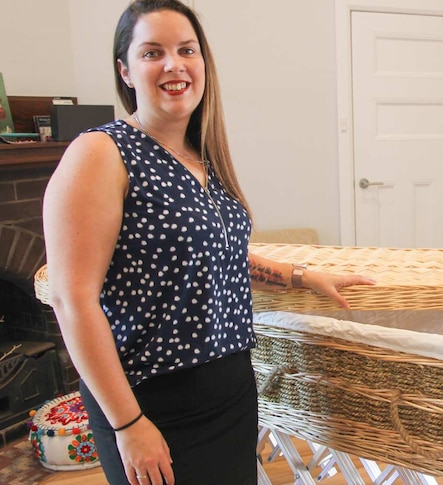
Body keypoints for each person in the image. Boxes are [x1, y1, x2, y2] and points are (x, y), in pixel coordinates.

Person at [42, 1, 374, 484]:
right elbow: (71, 299)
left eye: (186, 50)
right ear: (126, 71)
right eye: (152, 52)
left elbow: (219, 256)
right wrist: (129, 424)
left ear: (203, 63)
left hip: (230, 388)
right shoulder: (100, 153)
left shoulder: (203, 158)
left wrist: (302, 277)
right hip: (149, 400)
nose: (174, 65)